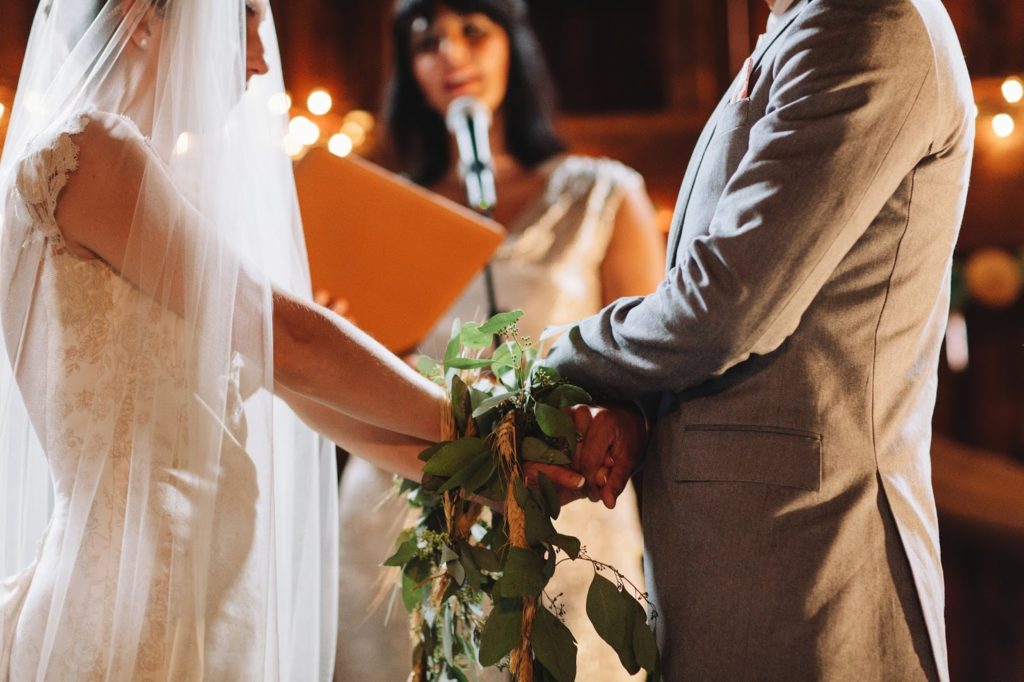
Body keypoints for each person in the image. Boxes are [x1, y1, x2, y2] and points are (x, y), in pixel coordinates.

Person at [0, 1, 583, 679]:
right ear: (140, 17)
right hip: (135, 605)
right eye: (239, 19)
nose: (260, 57)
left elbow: (302, 389)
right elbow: (291, 337)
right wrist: (493, 428)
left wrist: (490, 470)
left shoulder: (152, 181)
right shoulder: (90, 152)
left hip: (206, 600)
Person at [546, 0, 975, 679]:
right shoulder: (803, 22)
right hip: (744, 557)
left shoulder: (867, 21)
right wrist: (634, 412)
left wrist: (557, 356)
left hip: (807, 556)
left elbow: (723, 310)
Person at [334, 1, 665, 680]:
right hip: (411, 508)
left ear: (512, 44)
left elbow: (650, 363)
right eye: (426, 42)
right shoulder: (385, 211)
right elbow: (357, 372)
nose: (450, 55)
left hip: (562, 511)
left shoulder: (600, 194)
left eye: (472, 31)